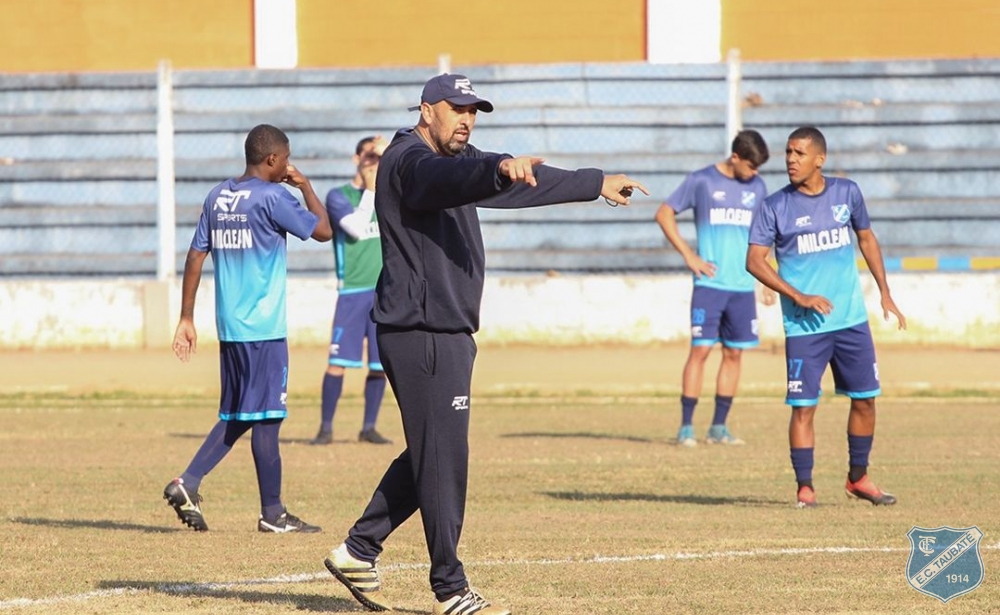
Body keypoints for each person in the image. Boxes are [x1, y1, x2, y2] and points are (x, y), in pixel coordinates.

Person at [321, 73, 648, 615]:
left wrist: (594, 182)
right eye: (458, 109)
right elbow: (450, 178)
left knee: (434, 450)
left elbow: (514, 181)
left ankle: (359, 550)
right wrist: (495, 168)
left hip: (446, 332)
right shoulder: (410, 161)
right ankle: (449, 588)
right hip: (422, 332)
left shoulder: (457, 160)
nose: (467, 120)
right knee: (444, 456)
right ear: (427, 110)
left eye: (474, 111)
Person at [164, 123, 333, 532]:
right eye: (286, 160)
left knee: (240, 414)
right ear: (272, 159)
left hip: (231, 327)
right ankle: (272, 514)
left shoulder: (218, 196)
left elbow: (195, 256)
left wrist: (186, 317)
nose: (289, 166)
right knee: (268, 417)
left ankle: (188, 483)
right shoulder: (274, 197)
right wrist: (306, 186)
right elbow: (324, 231)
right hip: (264, 327)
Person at [746, 126, 906, 509]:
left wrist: (885, 291)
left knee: (865, 400)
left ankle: (858, 478)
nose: (791, 159)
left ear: (820, 159)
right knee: (804, 406)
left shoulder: (847, 193)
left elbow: (866, 238)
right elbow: (754, 261)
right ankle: (805, 488)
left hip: (850, 321)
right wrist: (797, 295)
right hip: (804, 327)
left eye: (799, 153)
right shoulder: (774, 206)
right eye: (788, 152)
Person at [654, 129, 773, 448]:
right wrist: (689, 255)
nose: (755, 173)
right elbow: (664, 214)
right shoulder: (701, 181)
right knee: (701, 351)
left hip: (742, 286)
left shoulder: (757, 187)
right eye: (751, 166)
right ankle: (686, 427)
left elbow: (762, 235)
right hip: (709, 285)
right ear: (735, 157)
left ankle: (719, 427)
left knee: (734, 353)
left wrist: (767, 277)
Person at [311, 135, 394, 446]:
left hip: (384, 291)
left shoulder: (390, 195)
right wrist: (371, 189)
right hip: (352, 293)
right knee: (338, 363)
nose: (374, 163)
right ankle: (325, 428)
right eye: (370, 155)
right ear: (356, 159)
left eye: (380, 157)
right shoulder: (338, 196)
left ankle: (368, 427)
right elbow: (357, 229)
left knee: (380, 365)